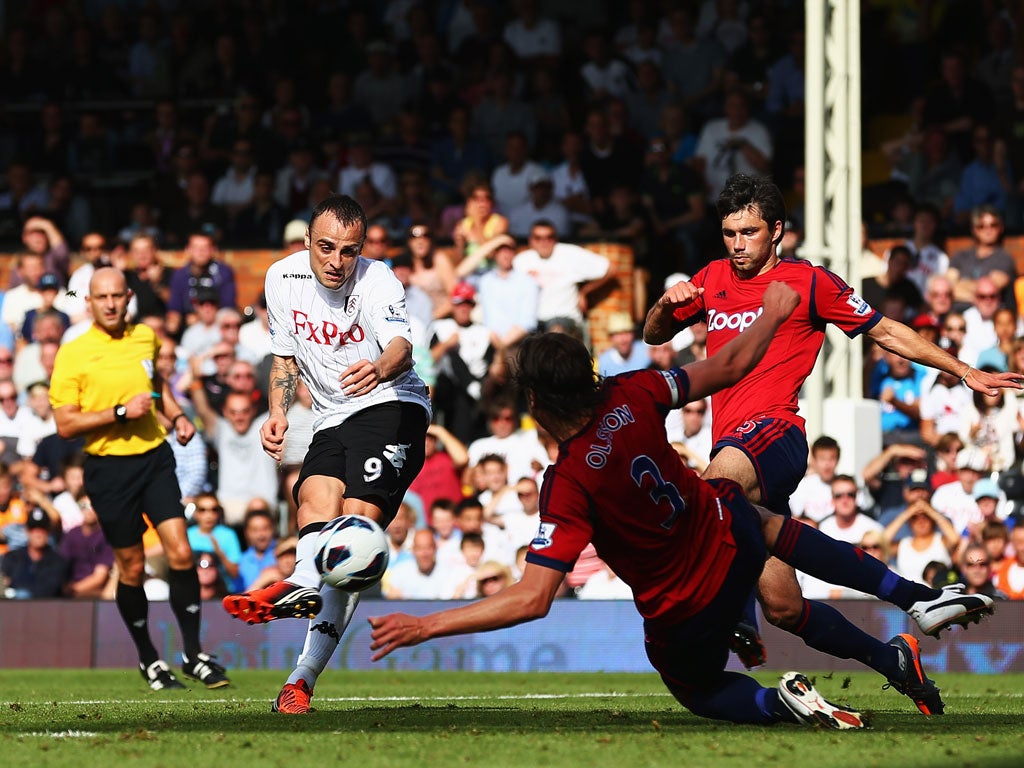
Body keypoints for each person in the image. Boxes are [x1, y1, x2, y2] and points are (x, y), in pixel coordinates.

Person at [369, 324, 996, 727]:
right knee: (757, 522)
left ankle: (778, 701)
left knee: (694, 687)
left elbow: (533, 597)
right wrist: (776, 311)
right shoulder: (634, 390)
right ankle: (913, 602)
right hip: (728, 536)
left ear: (535, 403)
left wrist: (428, 624)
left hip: (684, 604)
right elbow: (724, 369)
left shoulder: (566, 486)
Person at [642, 173, 1019, 671]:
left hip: (774, 433)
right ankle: (893, 655)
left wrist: (965, 370)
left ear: (776, 230)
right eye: (729, 234)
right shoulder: (711, 278)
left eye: (749, 232)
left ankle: (738, 622)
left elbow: (885, 331)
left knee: (711, 499)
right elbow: (652, 334)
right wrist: (665, 306)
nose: (737, 245)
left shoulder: (808, 282)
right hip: (732, 451)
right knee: (783, 605)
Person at [221, 194, 431, 714]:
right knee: (313, 504)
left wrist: (379, 369)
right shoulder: (281, 279)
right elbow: (284, 359)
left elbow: (402, 347)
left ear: (362, 248)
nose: (337, 262)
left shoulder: (378, 279)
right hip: (332, 416)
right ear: (307, 243)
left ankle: (302, 655)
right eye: (326, 248)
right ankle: (301, 610)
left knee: (354, 532)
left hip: (392, 403)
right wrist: (277, 413)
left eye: (349, 250)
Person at [47, 267, 229, 690]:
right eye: (101, 297)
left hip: (153, 457)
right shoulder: (73, 353)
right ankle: (149, 659)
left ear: (128, 296)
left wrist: (178, 415)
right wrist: (119, 412)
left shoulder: (145, 336)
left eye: (117, 295)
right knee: (130, 567)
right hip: (108, 469)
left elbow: (156, 384)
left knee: (182, 552)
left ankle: (194, 653)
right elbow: (64, 423)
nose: (110, 304)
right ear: (88, 302)